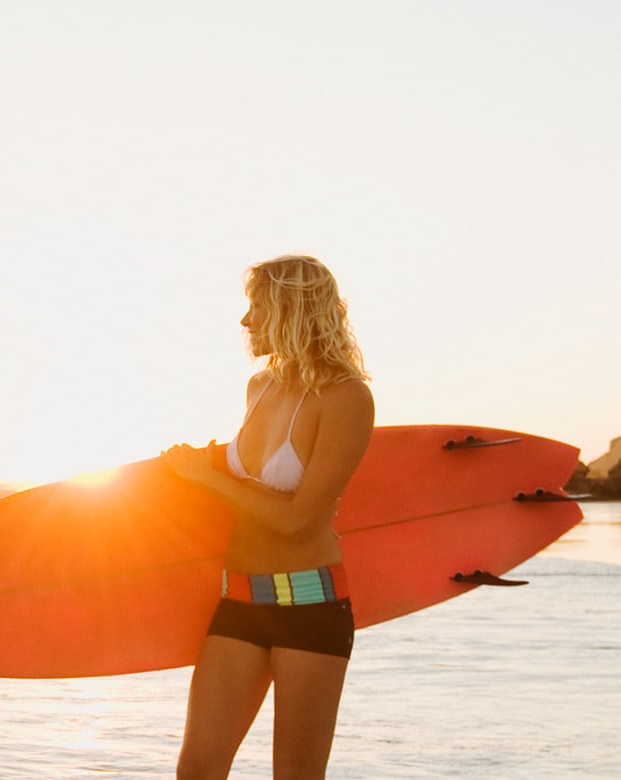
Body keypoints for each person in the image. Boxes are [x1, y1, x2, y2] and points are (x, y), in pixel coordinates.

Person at [161, 254, 375, 779]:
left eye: (256, 307)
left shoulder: (347, 398)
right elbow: (248, 485)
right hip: (239, 599)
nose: (246, 320)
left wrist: (207, 477)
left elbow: (299, 521)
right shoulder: (259, 388)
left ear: (289, 309)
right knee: (196, 771)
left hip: (310, 603)